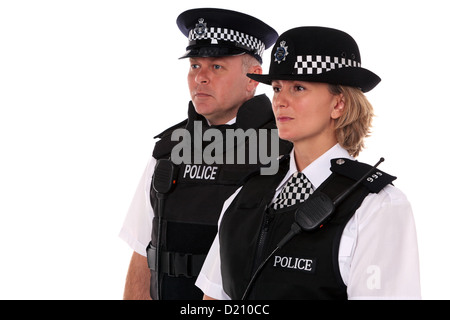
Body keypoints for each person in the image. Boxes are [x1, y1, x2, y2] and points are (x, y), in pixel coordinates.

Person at [197, 26, 421, 300]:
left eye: (298, 88)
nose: (279, 101)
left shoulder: (376, 207)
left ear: (338, 104)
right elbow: (213, 298)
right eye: (277, 88)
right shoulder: (243, 194)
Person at [119, 8, 292, 300]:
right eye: (195, 66)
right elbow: (141, 254)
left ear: (253, 78)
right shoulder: (168, 149)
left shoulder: (285, 151)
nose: (200, 78)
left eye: (216, 67)